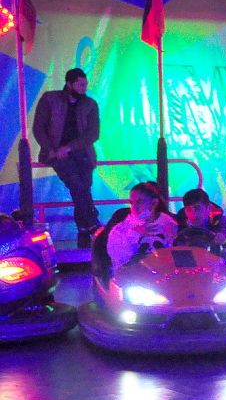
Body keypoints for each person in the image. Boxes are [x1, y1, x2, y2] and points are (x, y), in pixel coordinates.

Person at [32, 68, 101, 248]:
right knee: (78, 186)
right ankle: (92, 224)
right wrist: (52, 149)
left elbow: (93, 133)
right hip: (56, 153)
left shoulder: (90, 104)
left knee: (83, 189)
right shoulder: (50, 99)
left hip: (82, 153)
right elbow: (38, 128)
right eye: (80, 85)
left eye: (85, 84)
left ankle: (84, 231)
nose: (84, 88)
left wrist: (69, 147)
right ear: (69, 84)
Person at [107, 182, 178, 271]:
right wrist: (135, 235)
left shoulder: (168, 223)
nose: (134, 207)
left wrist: (171, 238)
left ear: (154, 203)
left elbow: (176, 254)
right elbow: (119, 261)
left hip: (164, 275)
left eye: (139, 202)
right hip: (132, 276)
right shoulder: (119, 230)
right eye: (132, 203)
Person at [176, 188, 226, 255]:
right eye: (188, 209)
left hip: (218, 262)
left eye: (197, 208)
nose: (193, 213)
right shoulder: (179, 225)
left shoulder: (219, 222)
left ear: (208, 208)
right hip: (188, 263)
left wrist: (225, 241)